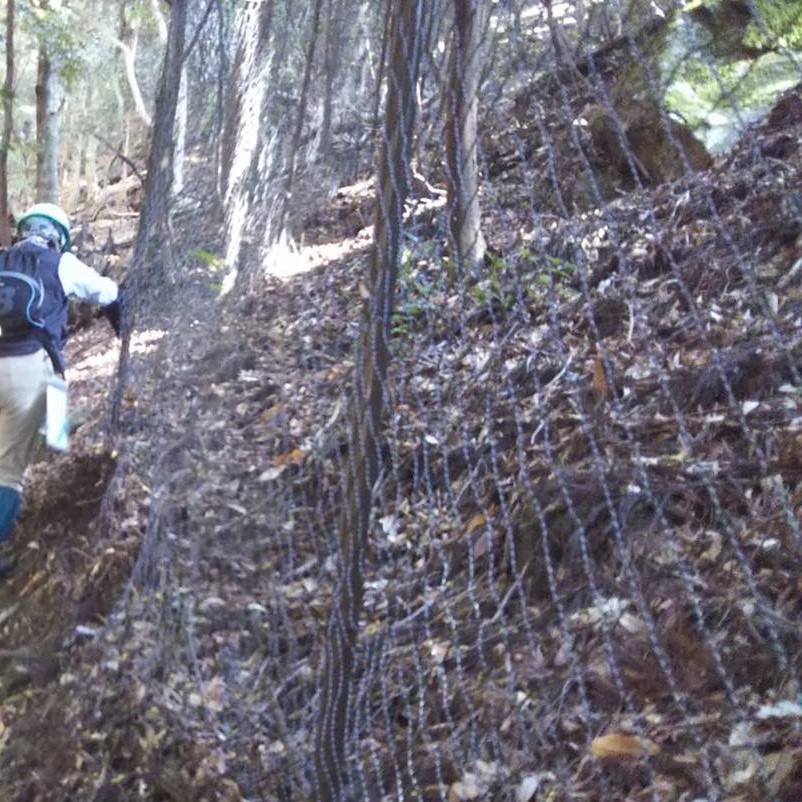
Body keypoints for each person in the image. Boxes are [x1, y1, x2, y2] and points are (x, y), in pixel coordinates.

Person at [0, 203, 123, 579]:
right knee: (8, 471)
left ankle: (55, 441)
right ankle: (56, 447)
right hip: (30, 366)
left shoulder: (3, 258)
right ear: (58, 236)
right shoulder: (62, 264)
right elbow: (107, 291)